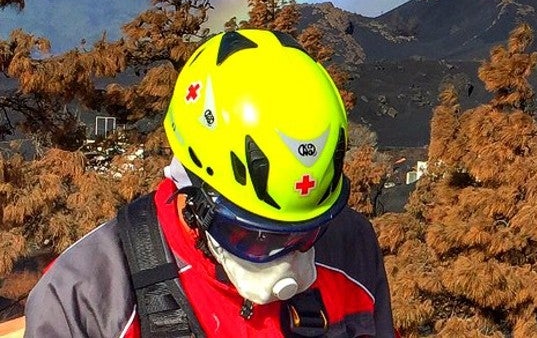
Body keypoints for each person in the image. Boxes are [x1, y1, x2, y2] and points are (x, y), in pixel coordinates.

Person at [25, 29, 397, 337]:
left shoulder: (350, 247)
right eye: (251, 236)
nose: (286, 261)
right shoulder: (89, 297)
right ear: (195, 197)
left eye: (304, 235)